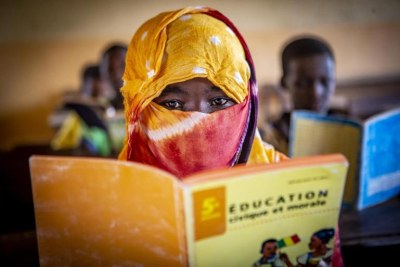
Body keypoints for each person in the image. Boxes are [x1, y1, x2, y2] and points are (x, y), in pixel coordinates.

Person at [117, 6, 286, 179]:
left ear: (247, 105)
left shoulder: (288, 185)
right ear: (138, 109)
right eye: (172, 103)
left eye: (219, 101)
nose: (198, 121)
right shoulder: (111, 194)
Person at [272, 36, 336, 149]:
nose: (316, 93)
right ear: (284, 83)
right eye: (303, 83)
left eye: (325, 82)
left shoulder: (349, 130)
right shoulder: (270, 141)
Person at [99, 43, 128, 110]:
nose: (117, 75)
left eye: (122, 66)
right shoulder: (102, 110)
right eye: (110, 69)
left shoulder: (150, 105)